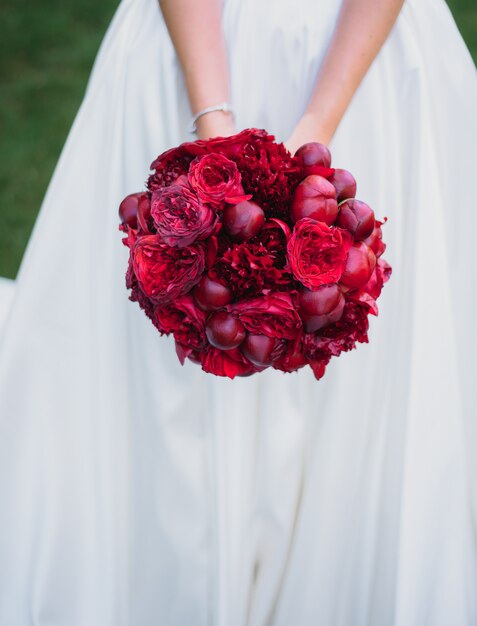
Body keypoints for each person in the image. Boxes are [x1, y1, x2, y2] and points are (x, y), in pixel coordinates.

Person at [0, 0, 476, 624]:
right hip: (196, 43)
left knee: (360, 399)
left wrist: (317, 130)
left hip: (363, 60)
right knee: (162, 382)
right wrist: (213, 129)